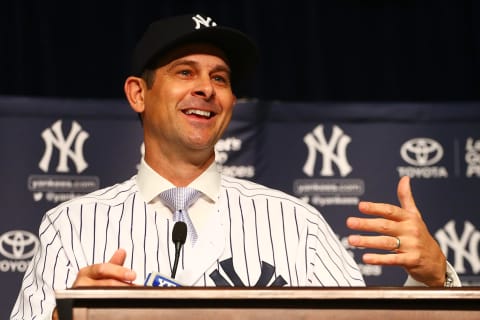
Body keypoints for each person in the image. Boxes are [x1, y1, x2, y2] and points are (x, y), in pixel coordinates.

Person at [10, 13, 459, 320]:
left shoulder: (295, 222)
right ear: (138, 94)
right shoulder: (71, 224)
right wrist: (64, 315)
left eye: (219, 78)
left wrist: (435, 280)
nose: (206, 88)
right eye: (185, 72)